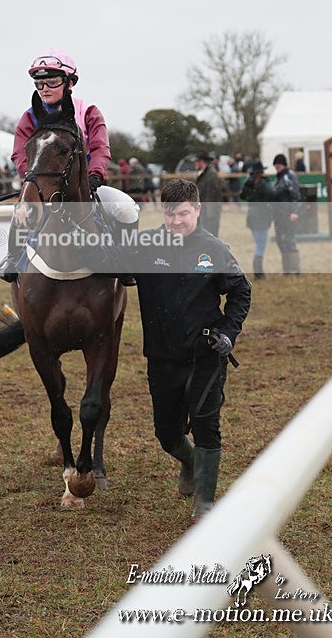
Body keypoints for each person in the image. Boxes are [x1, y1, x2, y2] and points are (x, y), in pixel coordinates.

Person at [133, 179, 251, 521]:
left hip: (206, 353)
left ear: (197, 210)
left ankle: (205, 502)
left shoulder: (214, 249)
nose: (176, 222)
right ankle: (189, 460)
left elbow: (241, 292)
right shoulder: (144, 245)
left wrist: (229, 333)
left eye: (183, 213)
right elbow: (108, 266)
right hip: (161, 355)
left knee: (206, 424)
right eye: (170, 214)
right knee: (167, 434)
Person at [0, 48, 139, 284]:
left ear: (70, 83)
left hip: (86, 186)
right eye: (39, 84)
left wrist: (95, 177)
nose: (44, 89)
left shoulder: (89, 112)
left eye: (51, 82)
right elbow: (20, 154)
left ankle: (127, 260)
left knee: (127, 209)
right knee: (21, 211)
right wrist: (35, 180)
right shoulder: (29, 118)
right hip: (45, 187)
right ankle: (12, 258)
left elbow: (101, 149)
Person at [240, 161, 275, 279]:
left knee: (258, 243)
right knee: (260, 245)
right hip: (262, 217)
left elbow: (242, 196)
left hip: (252, 216)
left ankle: (258, 270)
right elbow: (272, 194)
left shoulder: (249, 184)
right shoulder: (264, 185)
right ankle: (258, 271)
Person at [272, 153, 301, 275]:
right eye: (275, 164)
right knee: (281, 241)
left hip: (288, 215)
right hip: (279, 215)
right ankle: (286, 270)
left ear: (283, 164)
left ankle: (295, 270)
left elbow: (296, 195)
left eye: (278, 164)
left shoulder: (289, 177)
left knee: (290, 241)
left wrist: (294, 212)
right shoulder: (278, 178)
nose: (276, 166)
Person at [195, 150, 223, 236]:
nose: (194, 164)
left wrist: (207, 218)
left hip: (208, 217)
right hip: (204, 215)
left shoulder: (211, 175)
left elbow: (211, 199)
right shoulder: (205, 175)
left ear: (201, 162)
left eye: (196, 161)